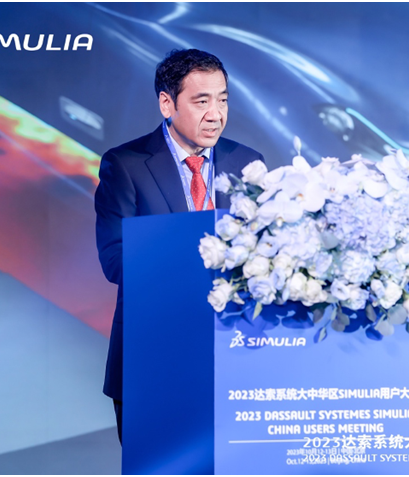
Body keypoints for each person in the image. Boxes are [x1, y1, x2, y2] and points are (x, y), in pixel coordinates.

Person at [94, 48, 265, 443]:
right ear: (167, 104)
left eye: (223, 100)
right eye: (202, 101)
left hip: (234, 355)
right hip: (153, 355)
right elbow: (115, 259)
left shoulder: (248, 162)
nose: (216, 114)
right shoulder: (126, 165)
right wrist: (195, 260)